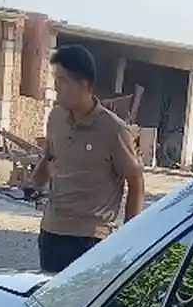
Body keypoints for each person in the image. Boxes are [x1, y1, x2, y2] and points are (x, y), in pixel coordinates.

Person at [32, 42, 146, 273]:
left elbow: (136, 181)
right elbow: (49, 158)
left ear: (85, 85)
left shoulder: (114, 130)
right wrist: (33, 184)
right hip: (51, 234)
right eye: (56, 79)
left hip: (89, 240)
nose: (56, 87)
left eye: (62, 81)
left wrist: (129, 236)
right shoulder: (56, 118)